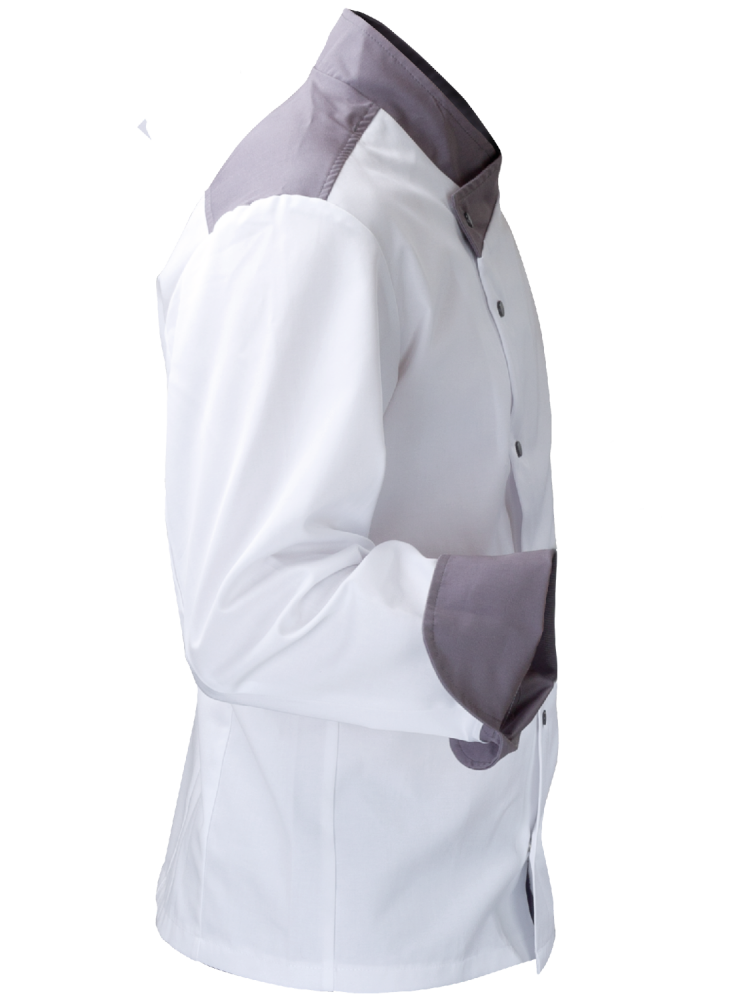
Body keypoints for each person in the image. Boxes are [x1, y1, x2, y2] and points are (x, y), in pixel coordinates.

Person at [155, 8, 559, 991]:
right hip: (324, 940)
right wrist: (501, 634)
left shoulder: (437, 186)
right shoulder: (313, 216)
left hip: (467, 887)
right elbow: (246, 608)